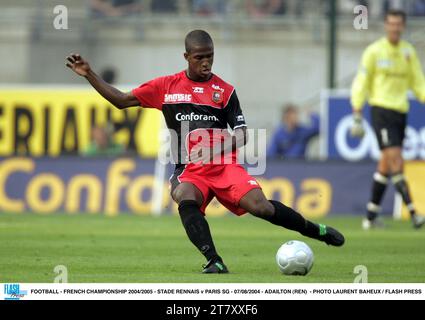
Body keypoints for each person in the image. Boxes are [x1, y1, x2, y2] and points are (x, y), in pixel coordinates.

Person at [66, 30, 344, 274]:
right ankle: (214, 260)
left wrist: (216, 149)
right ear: (186, 56)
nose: (206, 62)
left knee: (261, 207)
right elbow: (121, 100)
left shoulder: (224, 91)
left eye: (210, 56)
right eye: (199, 57)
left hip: (224, 166)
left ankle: (316, 230)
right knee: (185, 196)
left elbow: (243, 134)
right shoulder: (165, 87)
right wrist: (89, 73)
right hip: (190, 170)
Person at [350, 9, 425, 230]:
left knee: (385, 164)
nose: (394, 28)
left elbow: (418, 83)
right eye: (391, 24)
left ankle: (370, 217)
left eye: (398, 24)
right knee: (396, 160)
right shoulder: (374, 52)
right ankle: (414, 212)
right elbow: (361, 82)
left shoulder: (408, 52)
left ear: (403, 26)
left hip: (400, 113)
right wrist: (357, 111)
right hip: (381, 110)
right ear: (386, 25)